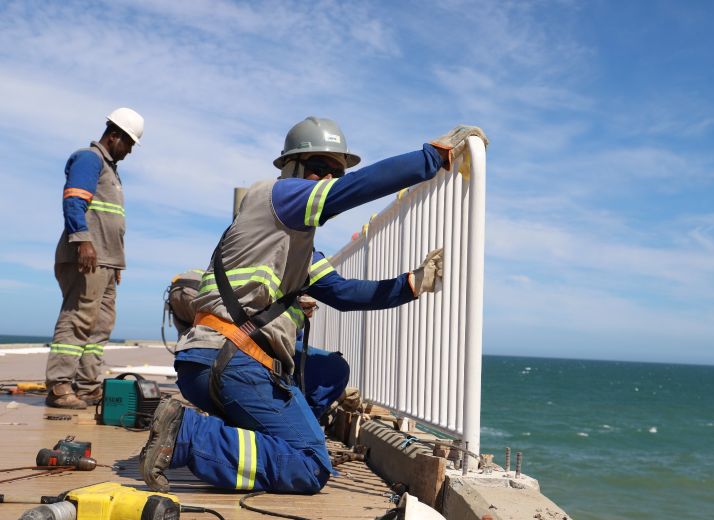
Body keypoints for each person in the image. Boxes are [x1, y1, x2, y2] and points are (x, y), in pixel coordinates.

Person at [139, 117, 487, 494]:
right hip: (231, 359)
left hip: (219, 360)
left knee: (331, 370)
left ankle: (266, 440)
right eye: (319, 169)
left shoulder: (295, 246)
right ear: (291, 168)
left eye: (334, 173)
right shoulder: (278, 196)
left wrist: (413, 284)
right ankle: (190, 436)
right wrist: (432, 158)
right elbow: (349, 192)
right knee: (310, 467)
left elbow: (344, 294)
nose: (328, 180)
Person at [45, 108, 144, 409]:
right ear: (114, 136)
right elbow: (74, 201)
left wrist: (115, 263)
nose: (128, 151)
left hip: (106, 261)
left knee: (101, 325)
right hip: (86, 256)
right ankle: (59, 386)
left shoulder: (112, 171)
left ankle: (87, 387)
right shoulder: (90, 159)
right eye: (127, 143)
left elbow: (110, 222)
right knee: (78, 319)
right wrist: (83, 241)